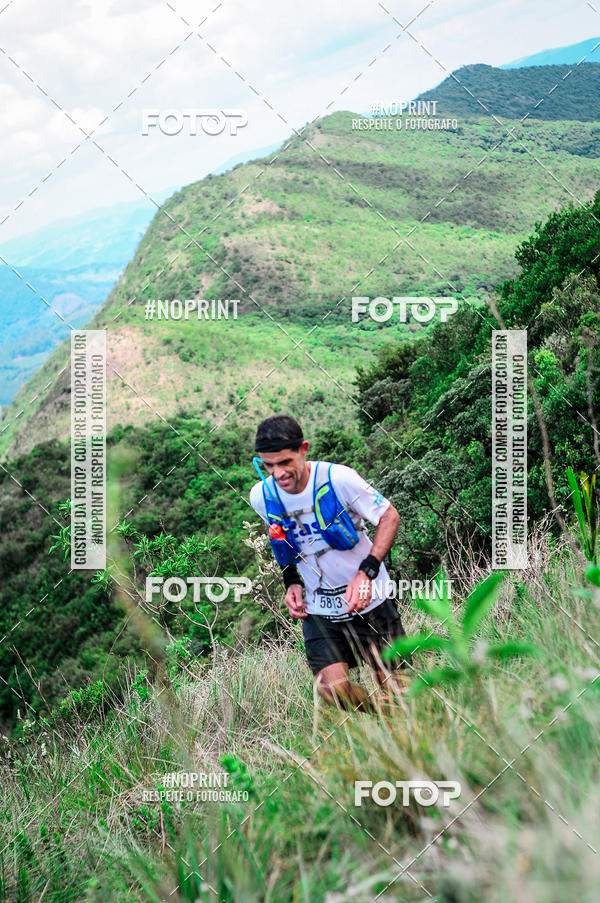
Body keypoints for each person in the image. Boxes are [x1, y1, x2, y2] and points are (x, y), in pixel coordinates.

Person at [249, 414, 411, 712]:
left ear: (303, 449)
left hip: (370, 599)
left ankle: (403, 719)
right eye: (268, 465)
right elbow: (281, 539)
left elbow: (389, 517)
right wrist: (291, 582)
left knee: (397, 684)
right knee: (331, 689)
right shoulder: (263, 496)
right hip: (318, 606)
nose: (278, 474)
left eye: (285, 462)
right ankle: (383, 716)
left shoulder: (339, 479)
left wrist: (367, 573)